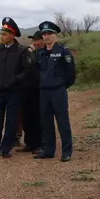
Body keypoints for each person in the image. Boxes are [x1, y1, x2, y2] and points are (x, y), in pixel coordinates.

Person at [0, 17, 33, 159]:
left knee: (11, 120)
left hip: (14, 92)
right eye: (1, 33)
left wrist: (15, 80)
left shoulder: (21, 51)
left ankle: (6, 148)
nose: (2, 36)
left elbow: (27, 70)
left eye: (4, 34)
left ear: (12, 35)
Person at [34, 21, 76, 162]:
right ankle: (48, 150)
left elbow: (70, 74)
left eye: (49, 33)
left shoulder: (63, 52)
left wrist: (62, 86)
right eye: (44, 34)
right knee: (46, 123)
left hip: (58, 91)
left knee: (62, 122)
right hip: (44, 92)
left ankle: (67, 151)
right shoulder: (40, 53)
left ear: (55, 35)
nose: (46, 36)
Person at [20, 31, 43, 153]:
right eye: (33, 40)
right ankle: (29, 143)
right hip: (26, 89)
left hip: (39, 90)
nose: (35, 42)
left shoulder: (45, 54)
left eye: (37, 40)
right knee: (26, 117)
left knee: (38, 118)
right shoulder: (29, 53)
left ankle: (39, 144)